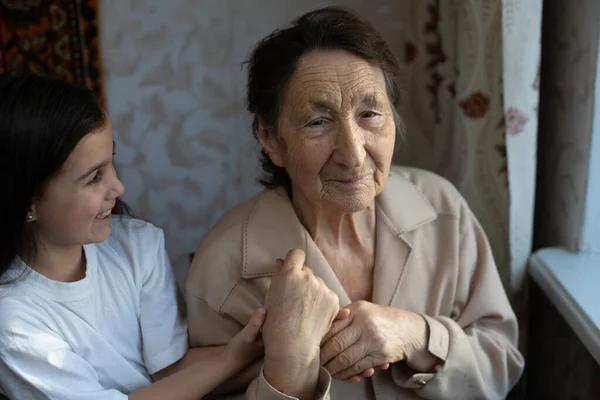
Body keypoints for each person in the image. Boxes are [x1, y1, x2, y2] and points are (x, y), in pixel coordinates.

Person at [186, 6, 525, 400]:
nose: (353, 153)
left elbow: (503, 362)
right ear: (270, 138)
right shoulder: (224, 267)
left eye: (369, 114)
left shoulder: (443, 210)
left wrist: (417, 335)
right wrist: (288, 370)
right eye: (318, 122)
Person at [0, 74, 266, 400]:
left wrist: (276, 344)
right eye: (94, 177)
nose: (118, 188)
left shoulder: (137, 246)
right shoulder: (13, 322)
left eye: (111, 162)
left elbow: (170, 371)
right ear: (28, 202)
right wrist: (235, 357)